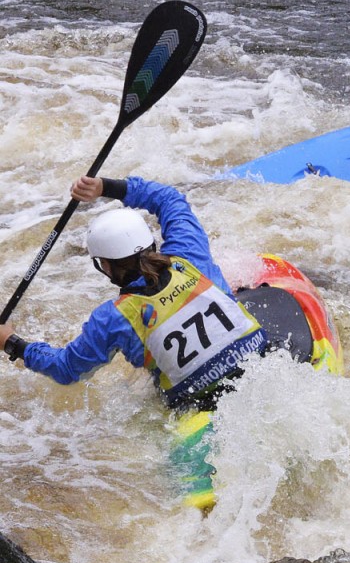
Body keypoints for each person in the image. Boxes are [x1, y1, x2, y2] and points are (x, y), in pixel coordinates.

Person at [0, 176, 267, 411]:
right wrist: (106, 187)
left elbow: (65, 368)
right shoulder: (189, 253)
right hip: (264, 369)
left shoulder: (113, 318)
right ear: (149, 242)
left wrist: (12, 343)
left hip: (199, 406)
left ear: (105, 266)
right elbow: (169, 198)